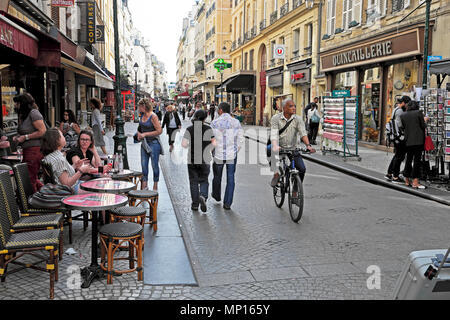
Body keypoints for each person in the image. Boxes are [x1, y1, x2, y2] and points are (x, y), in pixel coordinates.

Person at [270, 99, 316, 188]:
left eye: (294, 106)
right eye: (290, 106)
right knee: (269, 151)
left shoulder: (298, 119)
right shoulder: (275, 118)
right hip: (279, 147)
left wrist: (308, 145)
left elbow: (303, 133)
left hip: (293, 148)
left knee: (302, 169)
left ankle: (295, 189)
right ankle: (276, 174)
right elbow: (274, 134)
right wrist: (275, 145)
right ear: (284, 108)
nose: (294, 108)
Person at [210, 102, 244, 210]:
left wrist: (213, 150)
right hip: (231, 155)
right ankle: (227, 203)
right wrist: (235, 151)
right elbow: (240, 139)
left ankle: (216, 195)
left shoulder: (214, 122)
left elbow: (211, 139)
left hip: (218, 154)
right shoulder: (236, 122)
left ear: (220, 110)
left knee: (217, 176)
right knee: (231, 178)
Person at [182, 109, 216, 212]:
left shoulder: (189, 129)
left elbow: (183, 144)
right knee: (204, 179)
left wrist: (189, 145)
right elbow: (214, 143)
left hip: (192, 159)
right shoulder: (208, 128)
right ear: (205, 118)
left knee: (193, 182)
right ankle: (203, 196)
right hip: (205, 159)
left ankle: (195, 204)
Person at [12, 93, 47, 192]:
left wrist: (25, 137)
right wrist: (19, 137)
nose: (15, 105)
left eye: (17, 103)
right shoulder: (24, 115)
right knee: (30, 177)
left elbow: (43, 131)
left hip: (34, 150)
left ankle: (30, 202)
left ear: (22, 103)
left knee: (28, 177)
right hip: (27, 150)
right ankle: (43, 194)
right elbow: (26, 131)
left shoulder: (34, 113)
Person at [41, 128, 92, 193]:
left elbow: (60, 173)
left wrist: (74, 166)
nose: (64, 136)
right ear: (57, 140)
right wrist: (81, 170)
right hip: (68, 191)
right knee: (96, 191)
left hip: (58, 190)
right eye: (62, 135)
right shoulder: (59, 159)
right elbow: (67, 184)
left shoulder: (50, 156)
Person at [136, 98, 163, 191]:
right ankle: (144, 185)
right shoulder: (142, 115)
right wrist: (138, 134)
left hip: (154, 144)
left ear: (143, 106)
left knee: (154, 165)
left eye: (139, 106)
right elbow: (140, 128)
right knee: (144, 165)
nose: (138, 108)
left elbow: (159, 131)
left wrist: (145, 134)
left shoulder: (153, 116)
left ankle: (155, 185)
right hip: (144, 144)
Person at [400, 100, 426, 189]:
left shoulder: (403, 115)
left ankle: (407, 180)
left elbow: (403, 127)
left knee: (409, 159)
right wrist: (425, 120)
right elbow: (423, 126)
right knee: (417, 161)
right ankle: (415, 181)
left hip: (408, 141)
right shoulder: (418, 113)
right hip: (418, 140)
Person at [385, 96, 410, 183]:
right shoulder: (400, 112)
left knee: (397, 155)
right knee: (399, 156)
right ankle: (395, 176)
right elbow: (400, 125)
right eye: (407, 104)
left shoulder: (396, 109)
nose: (407, 106)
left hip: (395, 136)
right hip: (399, 137)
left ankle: (389, 173)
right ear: (404, 103)